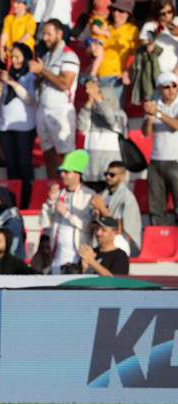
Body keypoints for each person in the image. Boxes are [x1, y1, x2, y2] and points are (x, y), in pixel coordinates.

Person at [32, 19, 80, 176]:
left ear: (59, 34)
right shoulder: (46, 56)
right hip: (43, 109)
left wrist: (43, 71)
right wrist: (39, 74)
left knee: (66, 154)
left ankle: (70, 189)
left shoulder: (69, 55)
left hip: (60, 110)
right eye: (43, 34)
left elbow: (65, 83)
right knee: (48, 153)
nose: (45, 38)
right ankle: (52, 187)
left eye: (48, 34)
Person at [40, 150, 96, 274]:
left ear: (77, 174)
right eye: (61, 172)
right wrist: (49, 202)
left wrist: (67, 214)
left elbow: (88, 227)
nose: (62, 175)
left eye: (67, 172)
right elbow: (44, 223)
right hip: (56, 258)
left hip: (78, 259)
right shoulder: (58, 194)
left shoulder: (89, 196)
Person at [0, 43, 38, 207]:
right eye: (11, 57)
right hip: (5, 126)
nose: (13, 60)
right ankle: (13, 200)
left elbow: (30, 99)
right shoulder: (8, 76)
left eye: (17, 57)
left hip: (24, 127)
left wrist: (13, 83)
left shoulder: (30, 77)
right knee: (11, 166)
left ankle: (27, 201)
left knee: (24, 165)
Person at [143, 72, 178, 225]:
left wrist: (156, 113)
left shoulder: (156, 108)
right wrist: (150, 120)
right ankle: (159, 246)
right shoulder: (154, 104)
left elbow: (176, 126)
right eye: (166, 87)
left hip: (176, 161)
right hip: (156, 162)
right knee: (156, 210)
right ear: (159, 88)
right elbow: (146, 133)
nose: (171, 90)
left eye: (174, 85)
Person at [78, 79, 128, 186]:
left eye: (102, 97)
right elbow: (81, 127)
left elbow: (111, 119)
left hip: (111, 175)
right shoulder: (92, 115)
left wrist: (98, 98)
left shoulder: (120, 115)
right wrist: (89, 102)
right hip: (91, 173)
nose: (98, 101)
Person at [92, 161, 142, 255]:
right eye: (106, 174)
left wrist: (102, 208)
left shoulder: (127, 198)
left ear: (122, 176)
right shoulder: (103, 194)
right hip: (103, 241)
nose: (108, 177)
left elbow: (124, 230)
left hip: (119, 244)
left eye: (112, 175)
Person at [92, 0, 138, 103]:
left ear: (128, 14)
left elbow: (134, 54)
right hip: (97, 77)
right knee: (97, 114)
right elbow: (91, 48)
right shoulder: (105, 27)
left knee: (113, 115)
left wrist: (127, 71)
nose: (116, 13)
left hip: (116, 78)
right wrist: (91, 49)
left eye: (121, 11)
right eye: (114, 10)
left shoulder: (132, 30)